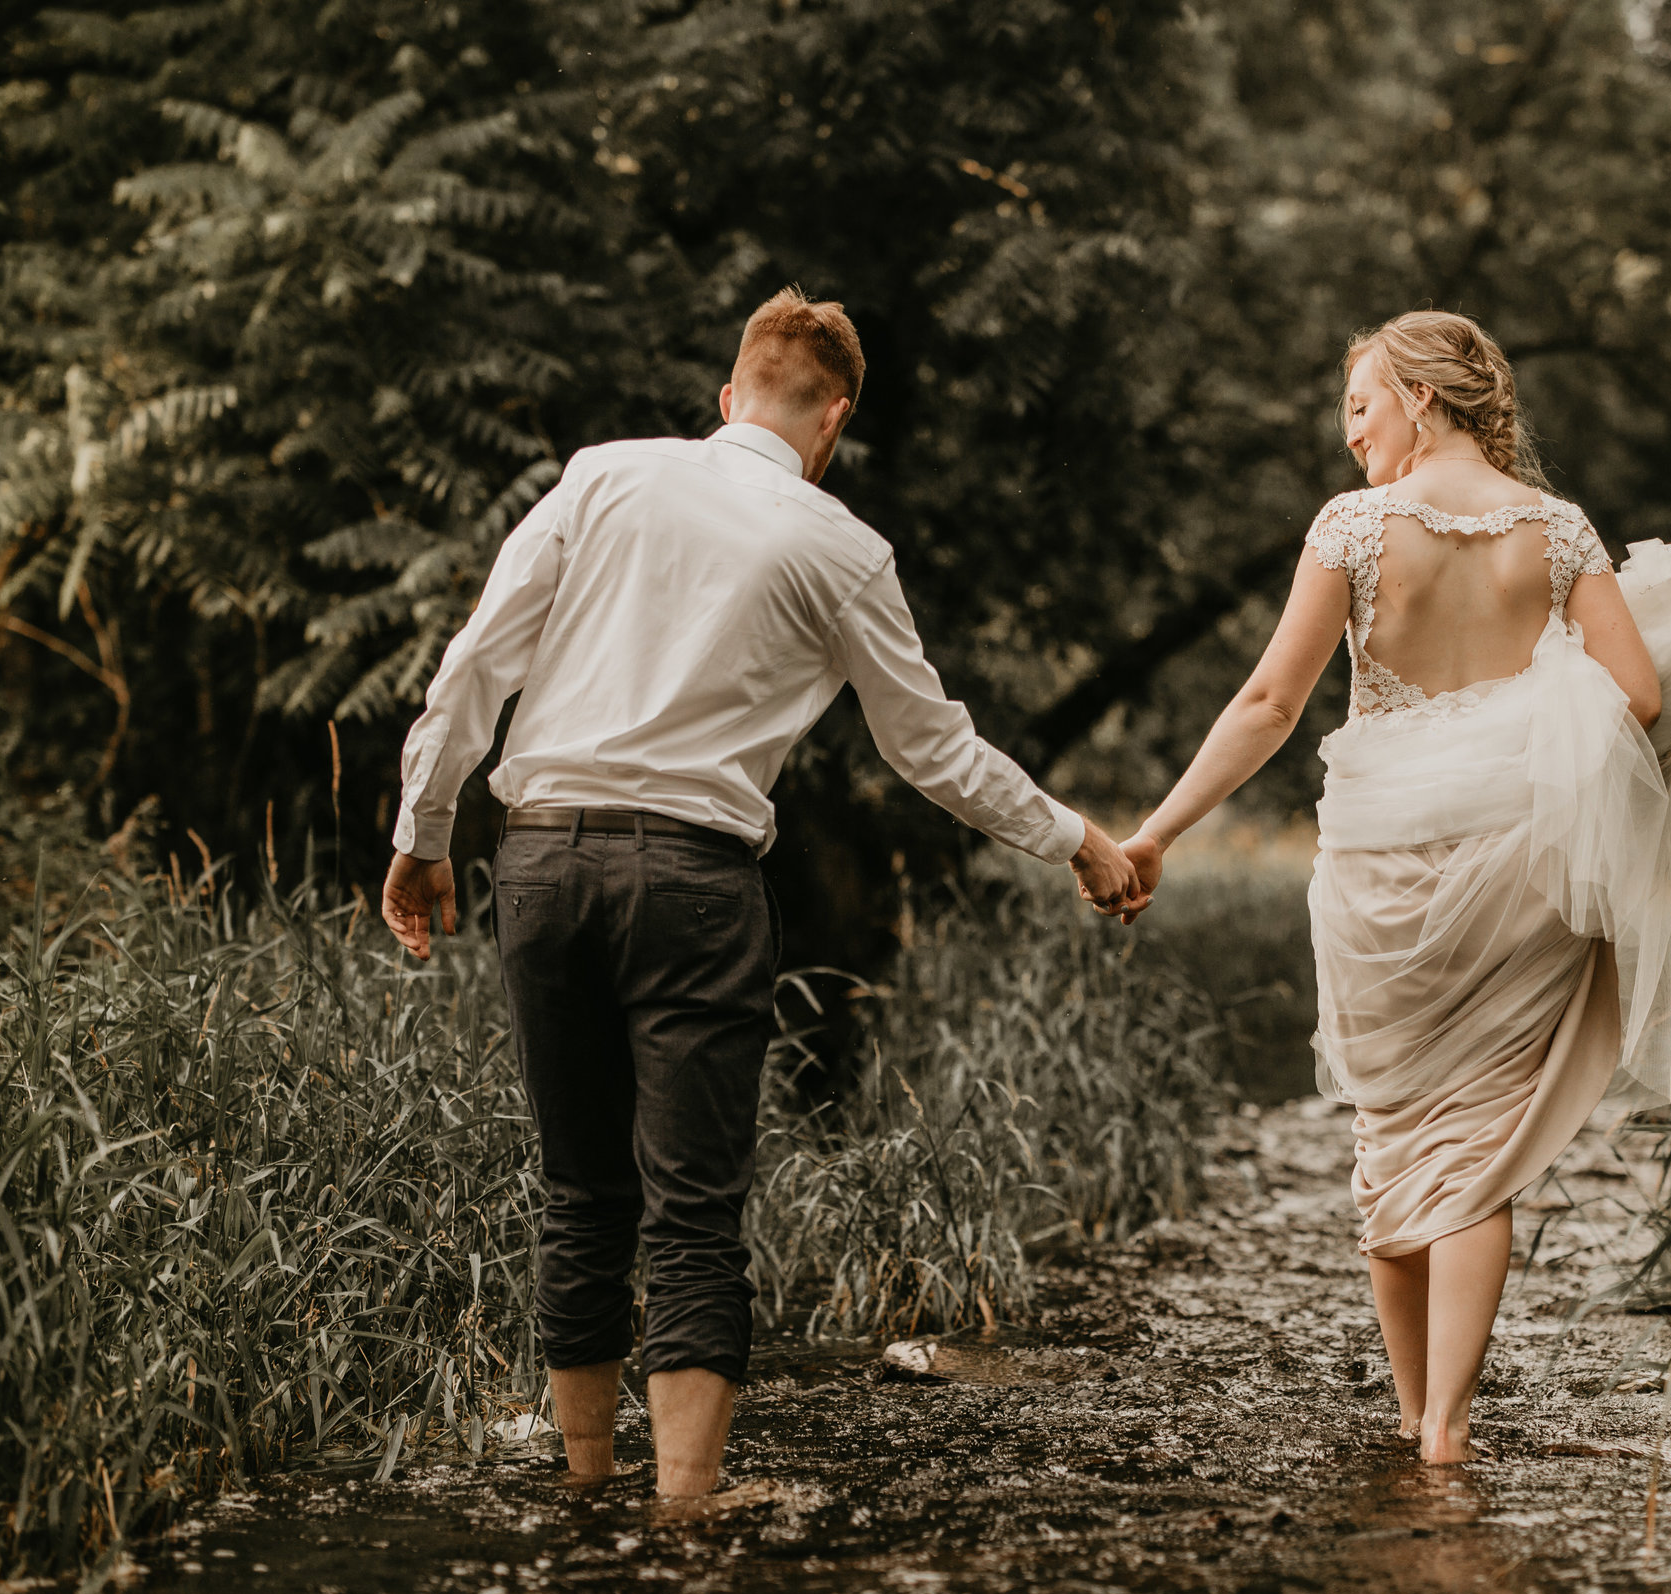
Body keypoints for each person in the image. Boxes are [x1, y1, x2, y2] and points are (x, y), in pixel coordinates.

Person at [377, 287, 1142, 1498]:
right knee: (691, 1210)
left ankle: (584, 1488)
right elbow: (931, 751)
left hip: (545, 862)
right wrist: (1075, 837)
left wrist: (423, 830)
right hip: (692, 884)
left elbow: (477, 663)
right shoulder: (840, 547)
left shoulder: (605, 474)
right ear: (832, 420)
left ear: (728, 394)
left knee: (581, 1190)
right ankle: (686, 1521)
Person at [1116, 311, 1671, 1464]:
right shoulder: (1559, 532)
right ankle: (1446, 1427)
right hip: (1522, 873)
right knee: (1478, 1147)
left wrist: (1157, 832)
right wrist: (1531, 700)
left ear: (1417, 393)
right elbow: (1643, 696)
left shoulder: (1354, 528)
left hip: (1381, 870)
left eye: (1359, 403)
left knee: (1393, 1131)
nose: (1348, 432)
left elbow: (1267, 705)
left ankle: (1413, 1410)